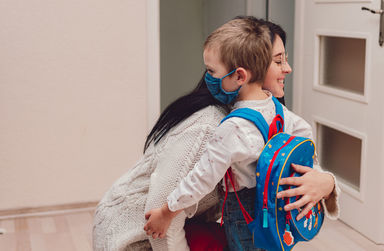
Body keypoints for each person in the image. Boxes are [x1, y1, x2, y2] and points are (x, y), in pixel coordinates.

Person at [93, 17, 339, 251]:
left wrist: (325, 181)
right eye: (278, 61)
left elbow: (302, 143)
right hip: (137, 236)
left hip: (206, 217)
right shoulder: (211, 126)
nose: (288, 68)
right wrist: (168, 212)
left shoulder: (274, 111)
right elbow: (173, 202)